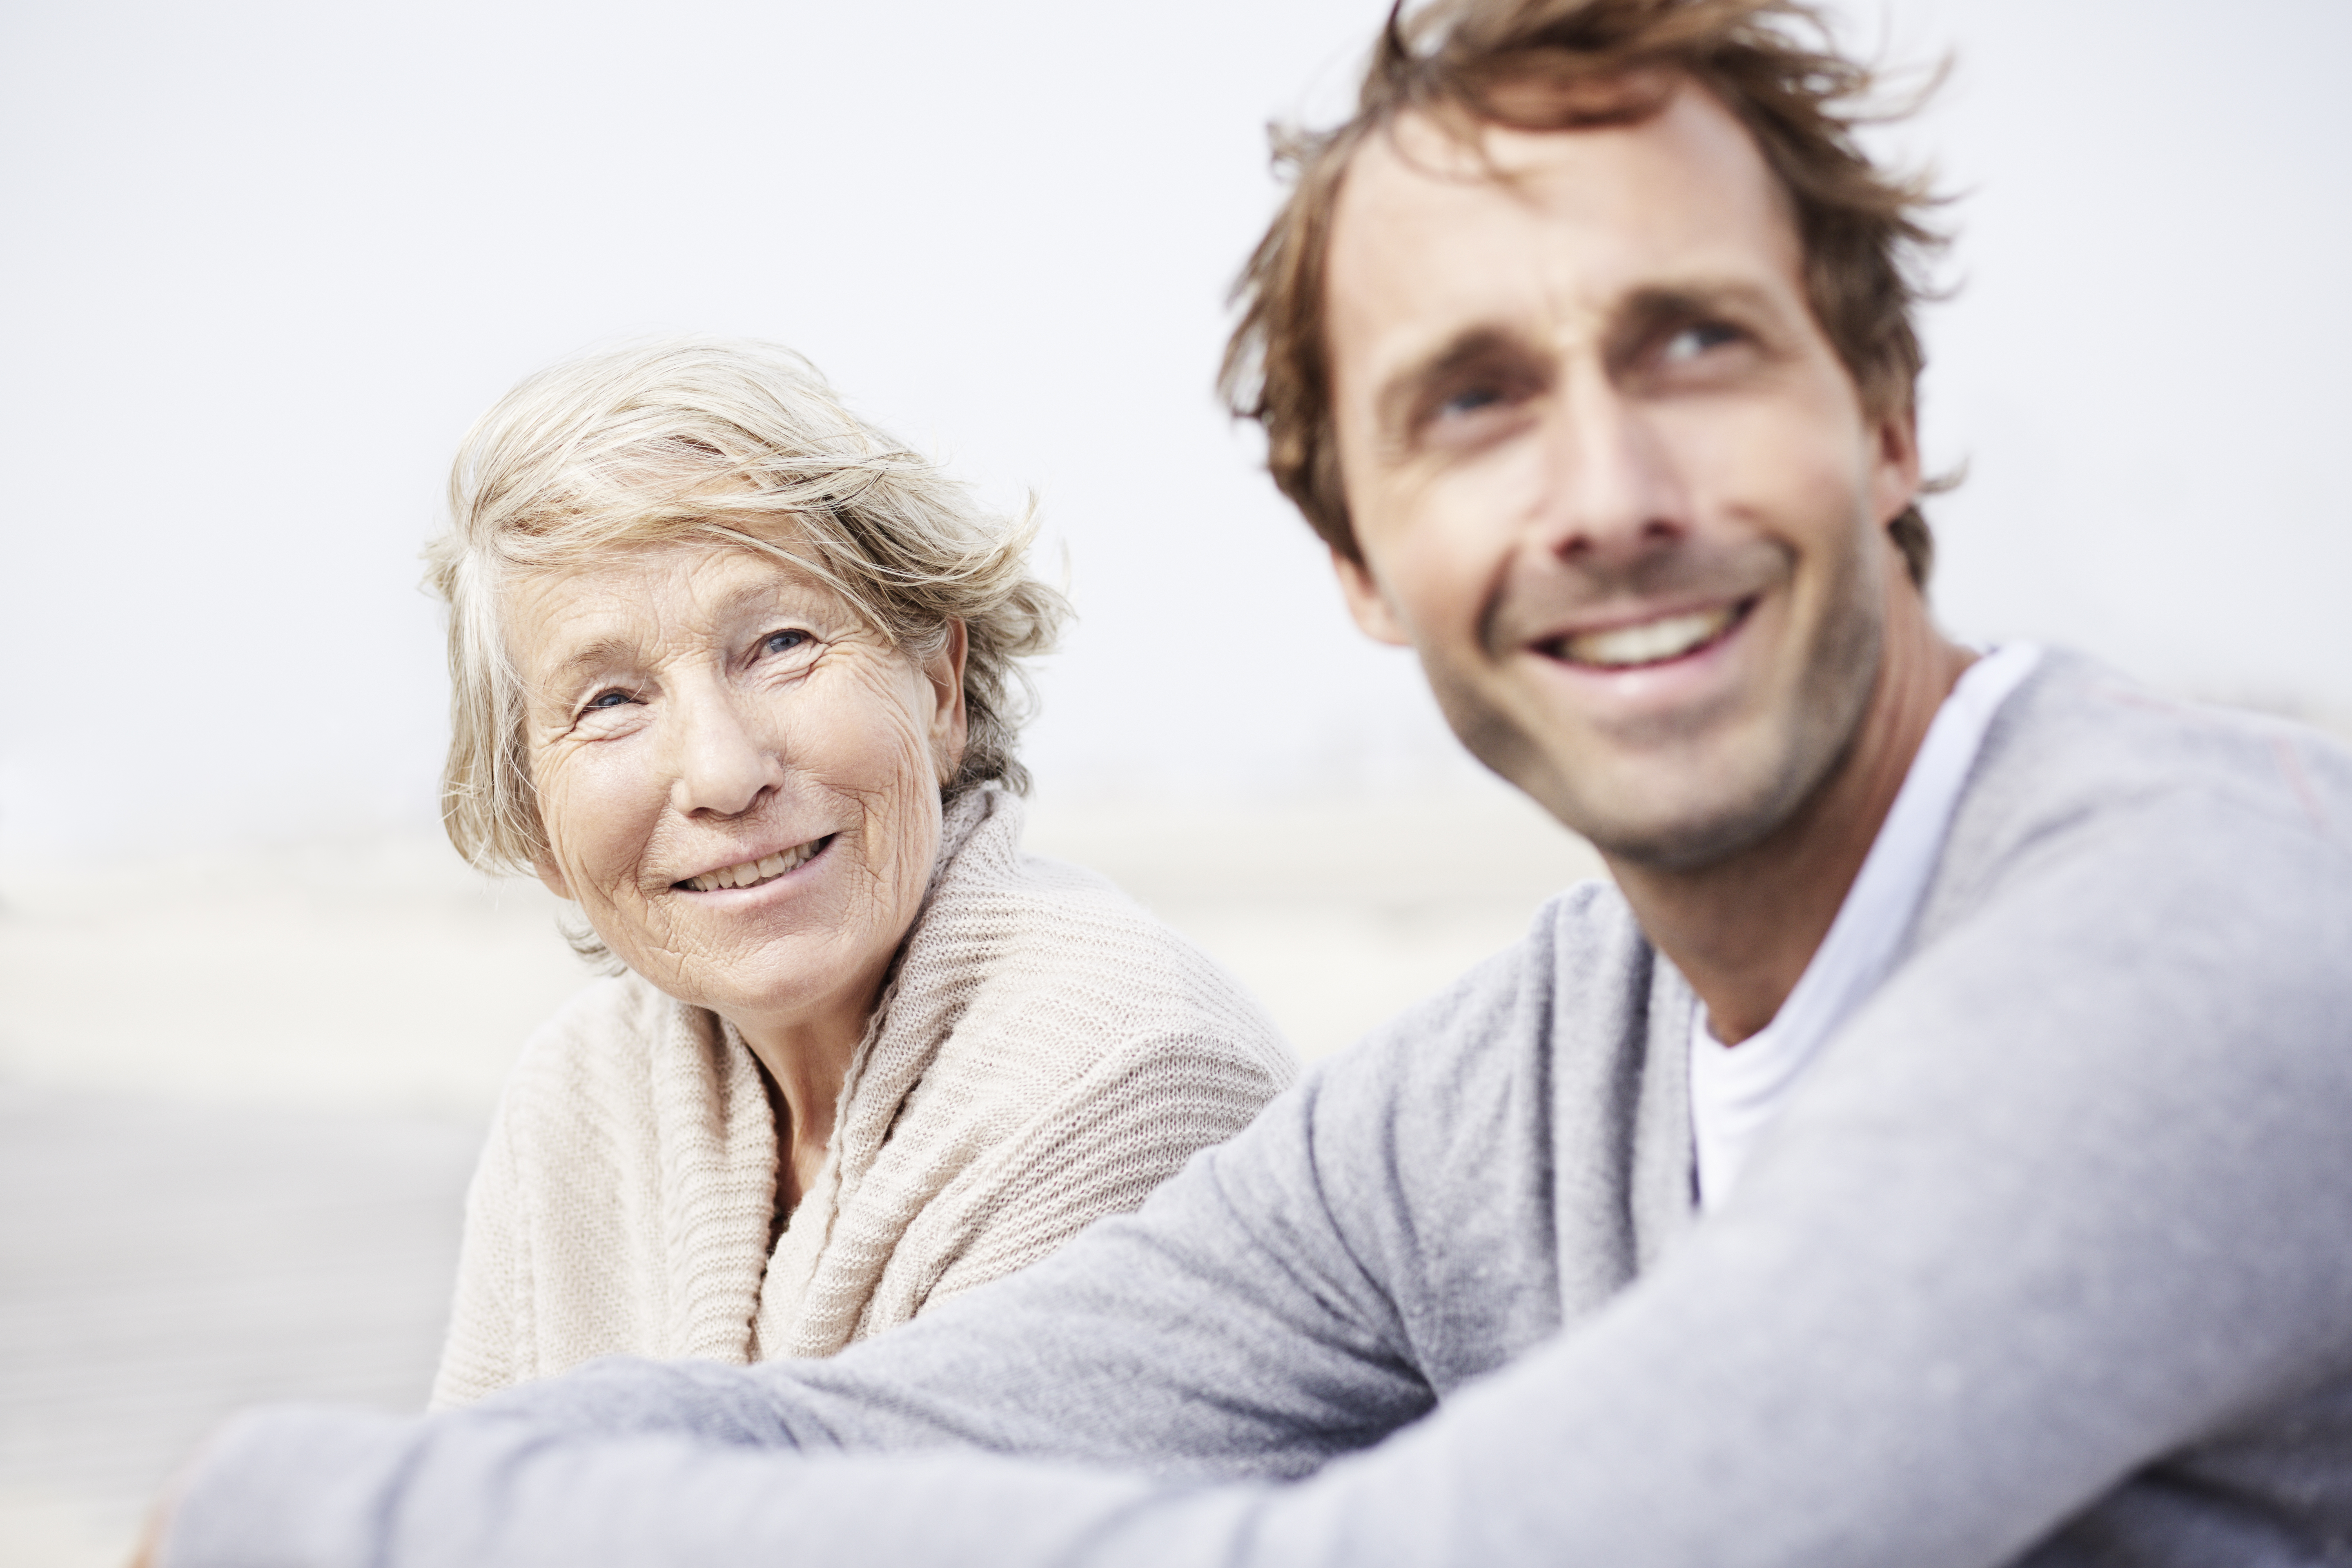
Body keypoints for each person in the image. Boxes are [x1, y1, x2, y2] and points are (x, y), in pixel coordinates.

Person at [149, 2, 2352, 1564]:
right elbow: (885, 1428)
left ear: (1882, 417)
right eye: (1472, 403)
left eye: (1694, 340)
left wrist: (301, 1520)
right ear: (1366, 564)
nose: (1603, 492)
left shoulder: (2184, 945)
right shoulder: (1533, 1073)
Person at [412, 339, 1296, 1405]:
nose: (724, 773)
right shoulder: (582, 1096)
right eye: (609, 702)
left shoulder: (1124, 1070)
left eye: (780, 644)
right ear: (539, 826)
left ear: (936, 686)